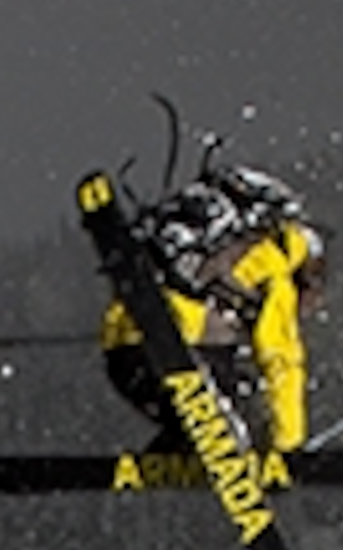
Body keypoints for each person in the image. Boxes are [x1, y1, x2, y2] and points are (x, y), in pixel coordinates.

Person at [101, 164, 325, 450]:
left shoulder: (215, 244)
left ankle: (183, 441)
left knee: (191, 399)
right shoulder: (274, 263)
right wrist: (288, 445)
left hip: (123, 354)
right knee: (242, 393)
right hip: (182, 354)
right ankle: (227, 440)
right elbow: (280, 358)